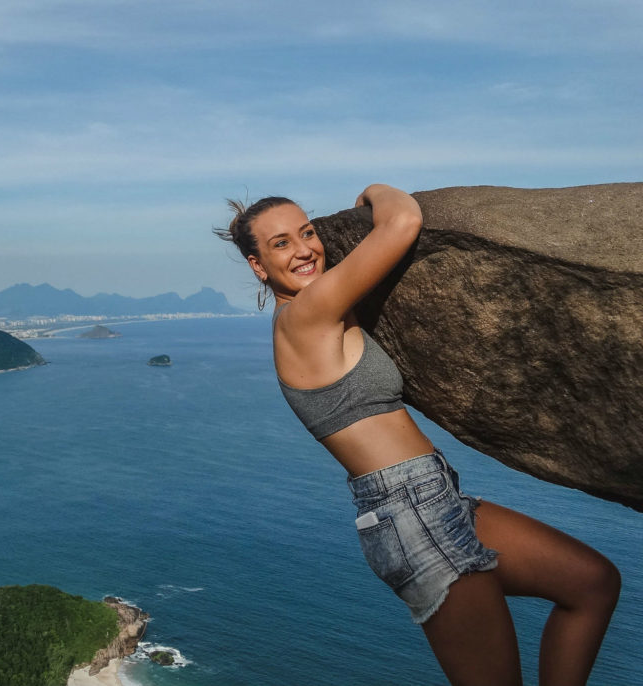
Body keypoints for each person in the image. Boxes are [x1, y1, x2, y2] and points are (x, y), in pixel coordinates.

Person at [215, 184, 620, 686]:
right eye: (281, 243)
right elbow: (402, 222)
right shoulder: (307, 313)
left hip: (437, 498)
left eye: (308, 232)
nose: (304, 249)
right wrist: (374, 191)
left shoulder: (325, 309)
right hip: (410, 513)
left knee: (593, 583)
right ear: (258, 266)